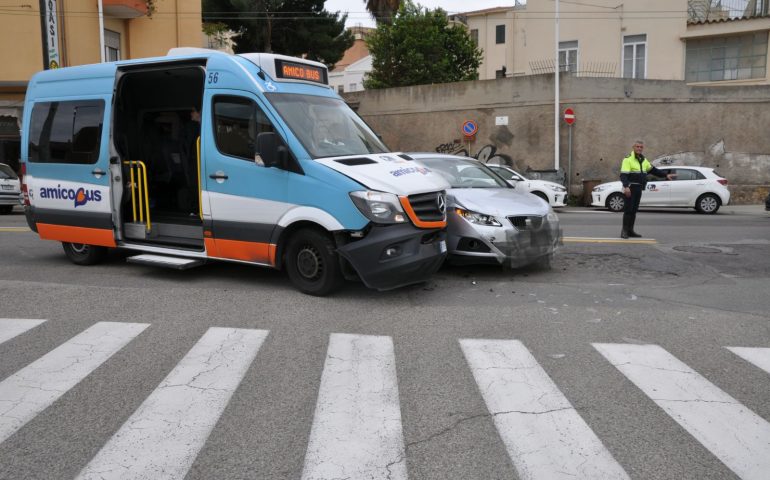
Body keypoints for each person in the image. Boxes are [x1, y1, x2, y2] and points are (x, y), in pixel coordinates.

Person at [619, 140, 675, 239]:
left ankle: (631, 231)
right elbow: (623, 175)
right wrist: (626, 187)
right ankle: (624, 231)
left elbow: (653, 170)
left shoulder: (643, 160)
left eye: (641, 147)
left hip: (639, 188)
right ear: (633, 147)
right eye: (637, 147)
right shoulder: (627, 159)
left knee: (634, 211)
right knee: (628, 210)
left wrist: (665, 175)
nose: (639, 148)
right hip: (630, 188)